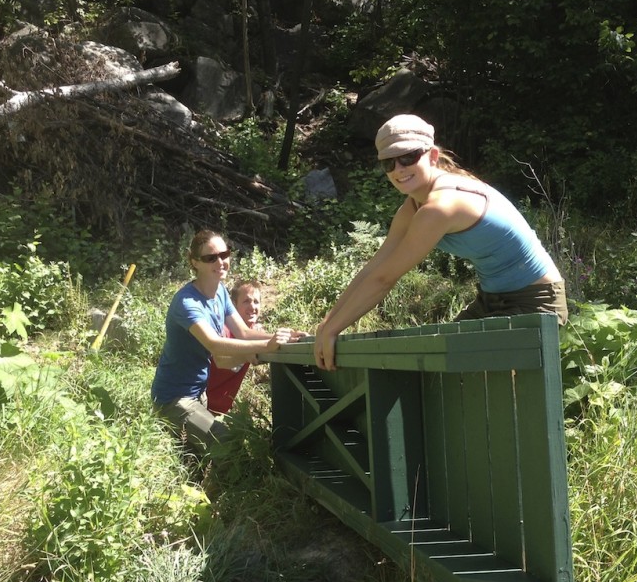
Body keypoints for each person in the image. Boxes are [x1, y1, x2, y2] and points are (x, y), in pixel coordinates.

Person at [313, 113, 567, 371]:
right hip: (492, 299)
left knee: (456, 378)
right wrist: (327, 325)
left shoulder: (441, 206)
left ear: (432, 156)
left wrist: (333, 330)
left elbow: (384, 280)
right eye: (388, 163)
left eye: (408, 157)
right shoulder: (412, 207)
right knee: (441, 374)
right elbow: (374, 268)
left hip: (536, 304)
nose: (399, 169)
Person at [152, 231, 302, 449]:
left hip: (198, 393)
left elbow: (243, 332)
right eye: (210, 258)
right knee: (228, 442)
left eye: (224, 254)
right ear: (194, 262)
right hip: (174, 399)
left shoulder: (220, 292)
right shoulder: (187, 303)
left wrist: (285, 336)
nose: (220, 262)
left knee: (194, 460)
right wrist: (267, 345)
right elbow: (214, 344)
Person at [206, 279, 262, 415]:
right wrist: (246, 355)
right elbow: (220, 361)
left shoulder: (256, 331)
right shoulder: (223, 331)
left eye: (256, 302)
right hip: (200, 404)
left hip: (221, 410)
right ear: (233, 305)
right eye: (246, 301)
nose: (252, 307)